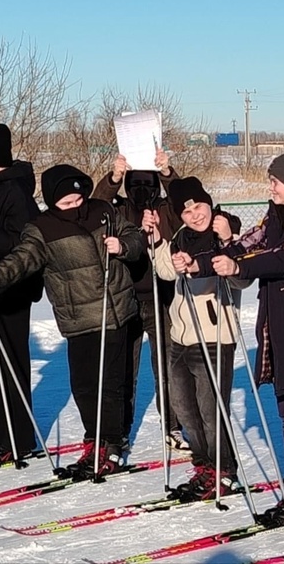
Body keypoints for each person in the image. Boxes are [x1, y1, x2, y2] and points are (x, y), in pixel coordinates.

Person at [194, 148, 284, 524]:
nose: (270, 186)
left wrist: (239, 264)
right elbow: (248, 245)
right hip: (276, 328)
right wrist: (204, 261)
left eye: (275, 180)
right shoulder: (274, 216)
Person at [0, 164, 143, 477]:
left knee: (111, 384)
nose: (75, 207)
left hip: (113, 310)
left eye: (78, 200)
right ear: (52, 202)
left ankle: (112, 445)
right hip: (77, 317)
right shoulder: (42, 229)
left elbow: (134, 236)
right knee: (84, 385)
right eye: (66, 203)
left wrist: (124, 246)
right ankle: (95, 440)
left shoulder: (103, 211)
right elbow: (20, 260)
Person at [142, 176, 245, 500]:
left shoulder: (224, 233)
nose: (195, 215)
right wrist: (157, 240)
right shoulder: (182, 237)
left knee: (211, 410)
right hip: (181, 335)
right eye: (186, 212)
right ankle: (205, 464)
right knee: (184, 408)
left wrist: (227, 242)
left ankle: (224, 469)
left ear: (209, 203)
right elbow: (166, 273)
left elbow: (243, 278)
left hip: (215, 336)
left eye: (199, 207)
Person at [93, 150, 188, 451]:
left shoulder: (166, 208)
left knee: (170, 369)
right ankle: (120, 430)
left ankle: (173, 426)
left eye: (148, 183)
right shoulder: (119, 210)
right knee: (124, 371)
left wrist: (168, 172)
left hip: (164, 299)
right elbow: (96, 206)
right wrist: (114, 177)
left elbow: (188, 203)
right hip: (127, 299)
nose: (142, 190)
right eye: (135, 184)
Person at [0, 124, 43, 462]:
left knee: (11, 362)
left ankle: (17, 437)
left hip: (11, 290)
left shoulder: (14, 189)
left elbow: (23, 242)